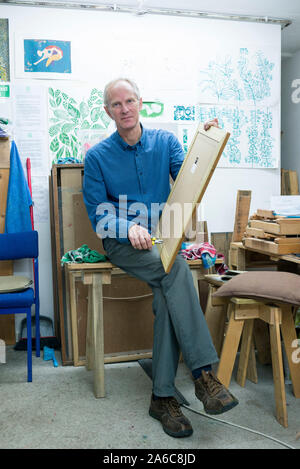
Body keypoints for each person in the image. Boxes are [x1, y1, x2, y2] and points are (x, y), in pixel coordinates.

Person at [83, 78, 238, 438]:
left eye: (130, 101)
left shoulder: (166, 142)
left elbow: (189, 177)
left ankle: (162, 396)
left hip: (162, 240)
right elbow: (97, 214)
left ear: (141, 103)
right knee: (176, 269)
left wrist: (206, 142)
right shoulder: (96, 157)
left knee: (168, 289)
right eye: (116, 104)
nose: (125, 109)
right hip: (123, 245)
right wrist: (126, 227)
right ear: (108, 111)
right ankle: (203, 375)